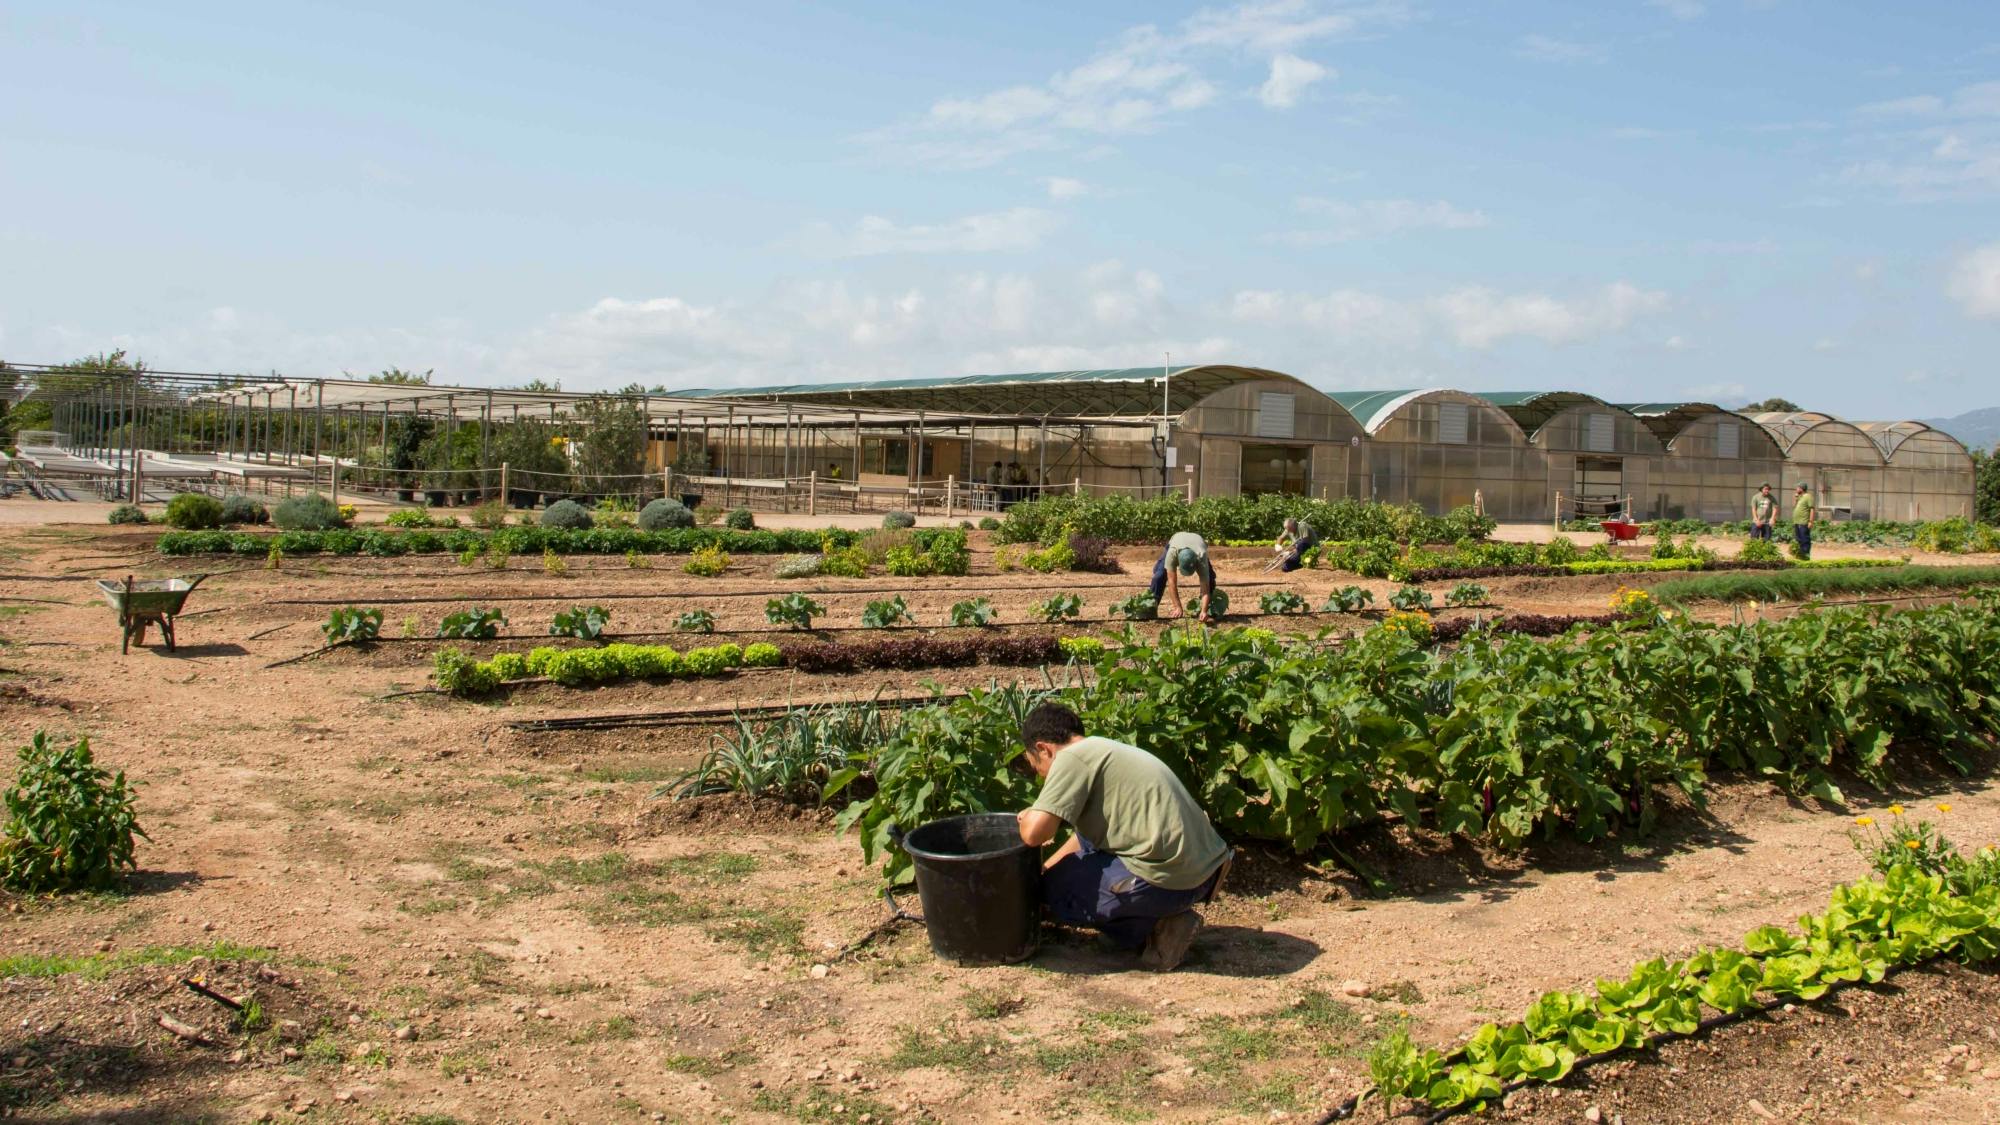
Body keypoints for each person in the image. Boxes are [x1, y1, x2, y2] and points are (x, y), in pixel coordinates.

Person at [1012, 702, 1231, 971]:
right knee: (1059, 876)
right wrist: (1043, 870)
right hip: (1205, 873)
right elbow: (1085, 839)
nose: (1041, 776)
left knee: (1058, 890)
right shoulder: (1103, 750)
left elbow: (1034, 834)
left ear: (1043, 749)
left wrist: (1031, 814)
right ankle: (1147, 928)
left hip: (1173, 881)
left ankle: (1157, 927)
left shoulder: (1070, 758)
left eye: (1036, 766)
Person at [1148, 531, 1219, 621]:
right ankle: (1150, 608)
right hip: (1176, 541)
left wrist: (1204, 611)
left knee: (1210, 578)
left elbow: (1205, 588)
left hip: (1197, 544)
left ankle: (1206, 609)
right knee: (1159, 575)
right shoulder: (1172, 553)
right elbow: (1172, 582)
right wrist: (1177, 606)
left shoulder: (1201, 556)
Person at [1791, 482, 1816, 559]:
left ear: (1802, 488)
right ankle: (1800, 555)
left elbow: (1812, 509)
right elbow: (1793, 506)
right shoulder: (1799, 497)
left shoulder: (1808, 497)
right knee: (1798, 539)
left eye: (1798, 488)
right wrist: (1795, 498)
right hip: (1797, 522)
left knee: (1805, 539)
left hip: (1804, 522)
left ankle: (1805, 555)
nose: (1796, 489)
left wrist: (1810, 521)